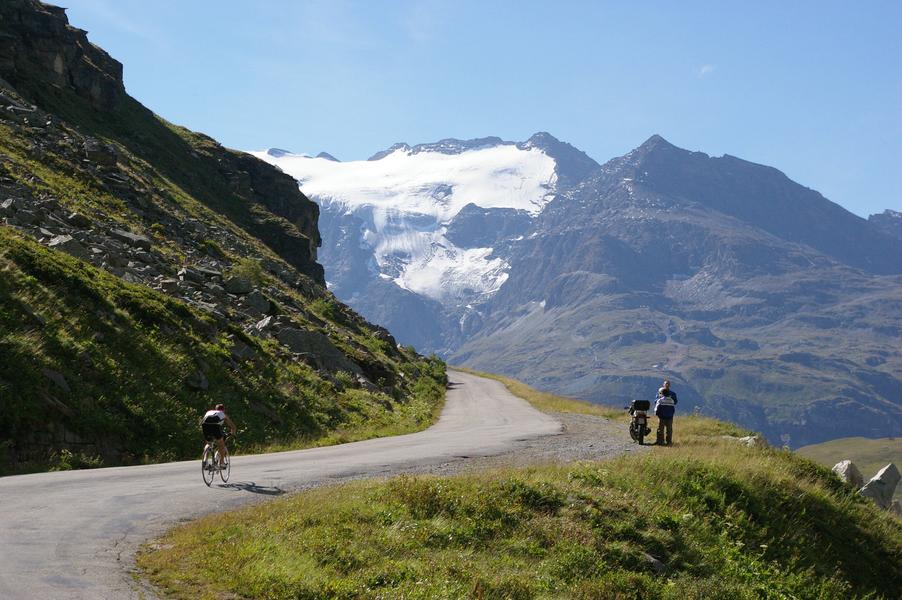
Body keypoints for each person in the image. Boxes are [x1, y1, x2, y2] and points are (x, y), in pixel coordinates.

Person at [200, 403, 236, 468]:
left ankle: (205, 461)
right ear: (223, 410)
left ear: (215, 409)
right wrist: (232, 434)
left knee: (209, 443)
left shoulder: (209, 412)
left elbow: (204, 419)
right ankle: (222, 463)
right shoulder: (223, 414)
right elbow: (233, 427)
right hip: (215, 425)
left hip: (204, 424)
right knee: (221, 444)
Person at [654, 379, 678, 445]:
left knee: (669, 429)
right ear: (663, 385)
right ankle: (660, 441)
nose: (667, 385)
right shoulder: (659, 393)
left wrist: (668, 399)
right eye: (665, 383)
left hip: (669, 414)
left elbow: (675, 402)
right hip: (662, 414)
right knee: (660, 429)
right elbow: (655, 401)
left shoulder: (673, 394)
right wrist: (661, 399)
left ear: (669, 385)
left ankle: (668, 442)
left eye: (668, 383)